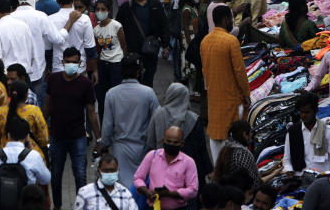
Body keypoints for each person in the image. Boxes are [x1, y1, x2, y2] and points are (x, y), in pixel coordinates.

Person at [45, 46, 101, 209]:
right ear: (62, 62)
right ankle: (57, 206)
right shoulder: (54, 80)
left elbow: (91, 113)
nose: (71, 65)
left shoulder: (85, 83)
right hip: (57, 137)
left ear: (80, 63)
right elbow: (47, 107)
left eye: (75, 62)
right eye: (68, 62)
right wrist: (41, 130)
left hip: (78, 137)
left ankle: (81, 206)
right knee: (55, 176)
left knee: (81, 176)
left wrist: (98, 139)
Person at [201, 6, 251, 166]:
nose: (232, 21)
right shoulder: (231, 41)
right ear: (225, 20)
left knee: (216, 136)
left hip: (214, 99)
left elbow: (205, 70)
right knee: (231, 138)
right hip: (231, 99)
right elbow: (240, 71)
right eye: (231, 18)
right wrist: (246, 94)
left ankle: (218, 172)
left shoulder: (205, 41)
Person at [101, 55, 160, 189]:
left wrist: (104, 145)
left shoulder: (111, 94)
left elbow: (107, 126)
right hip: (142, 150)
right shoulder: (148, 93)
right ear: (139, 72)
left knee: (121, 189)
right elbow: (156, 121)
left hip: (119, 150)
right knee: (140, 187)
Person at [145, 83, 213, 183]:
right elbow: (201, 149)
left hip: (161, 167)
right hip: (188, 171)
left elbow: (150, 142)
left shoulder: (158, 114)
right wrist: (209, 170)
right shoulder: (193, 119)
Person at [0, 117, 51, 210]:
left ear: (8, 135)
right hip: (26, 206)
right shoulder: (33, 156)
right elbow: (46, 179)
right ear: (27, 136)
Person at [115, 0, 169, 86]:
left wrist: (165, 46)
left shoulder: (155, 5)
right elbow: (118, 28)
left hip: (150, 51)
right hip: (132, 51)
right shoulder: (126, 8)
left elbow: (164, 25)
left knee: (148, 81)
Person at [133, 126, 200, 210]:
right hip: (153, 207)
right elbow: (137, 178)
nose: (171, 144)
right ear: (163, 141)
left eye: (175, 142)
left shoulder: (188, 162)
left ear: (182, 143)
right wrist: (147, 192)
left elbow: (193, 190)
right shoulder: (152, 156)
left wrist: (170, 193)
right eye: (168, 141)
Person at [282, 92, 330, 174]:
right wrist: (289, 171)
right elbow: (287, 160)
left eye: (307, 112)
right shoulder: (292, 132)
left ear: (315, 111)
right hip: (300, 179)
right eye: (301, 112)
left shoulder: (328, 131)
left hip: (322, 177)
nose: (303, 115)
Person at [48, 0, 99, 78]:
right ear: (73, 0)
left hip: (58, 68)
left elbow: (48, 49)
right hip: (79, 69)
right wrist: (95, 70)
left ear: (57, 1)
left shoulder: (50, 20)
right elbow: (90, 47)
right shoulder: (84, 19)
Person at [92, 0, 126, 114]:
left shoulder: (116, 26)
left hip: (116, 63)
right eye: (97, 9)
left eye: (103, 9)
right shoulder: (95, 30)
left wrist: (124, 61)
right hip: (103, 64)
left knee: (117, 96)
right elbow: (97, 49)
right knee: (103, 97)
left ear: (109, 10)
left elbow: (123, 46)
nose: (100, 12)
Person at [0, 0, 37, 75]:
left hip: (8, 76)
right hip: (25, 73)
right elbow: (32, 52)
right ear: (11, 8)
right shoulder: (24, 26)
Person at [74, 154, 138, 210]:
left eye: (112, 170)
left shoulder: (126, 193)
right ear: (99, 171)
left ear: (117, 171)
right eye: (106, 171)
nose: (109, 173)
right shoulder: (84, 192)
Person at [210, 121, 257, 186]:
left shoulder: (226, 148)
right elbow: (253, 180)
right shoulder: (242, 154)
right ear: (244, 134)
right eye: (250, 132)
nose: (251, 135)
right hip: (238, 193)